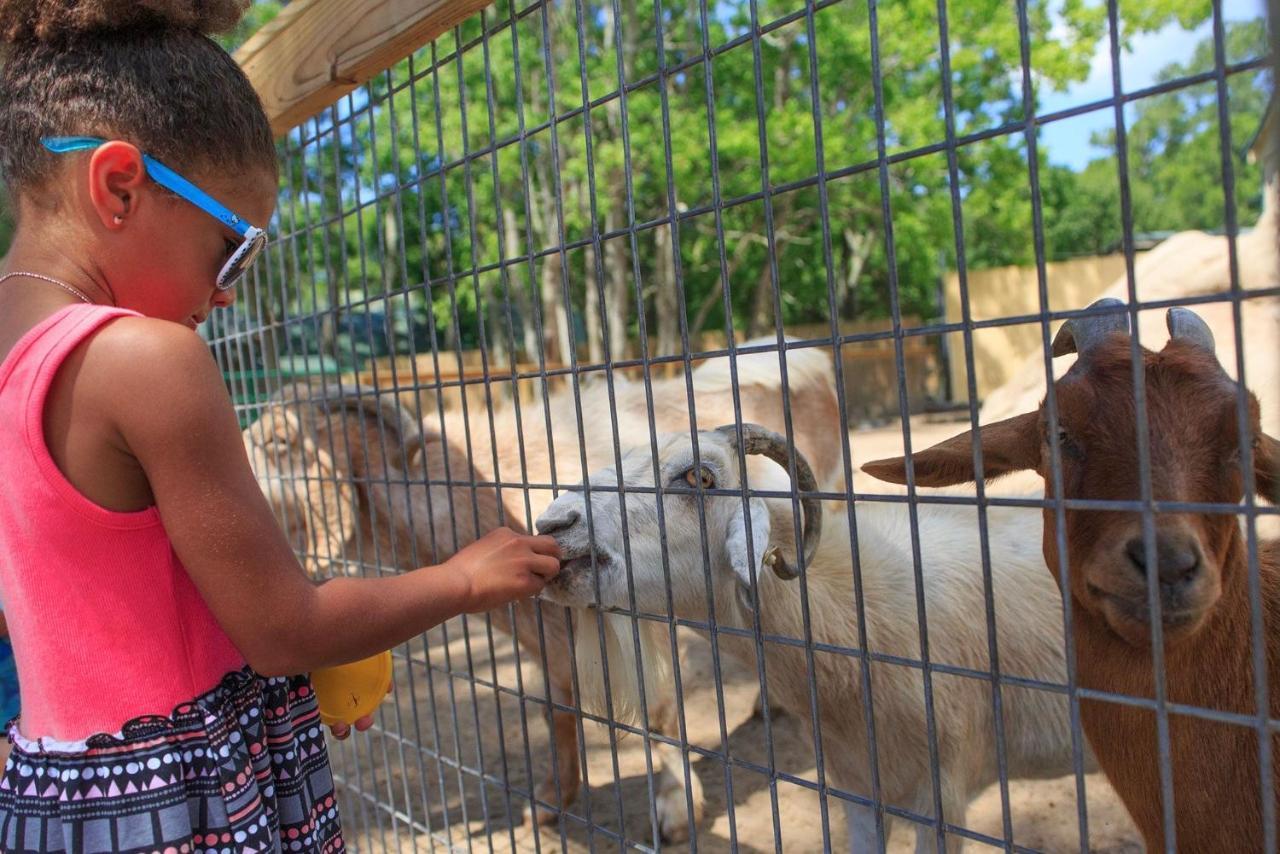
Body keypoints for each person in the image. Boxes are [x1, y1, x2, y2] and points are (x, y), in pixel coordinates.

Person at [0, 2, 561, 851]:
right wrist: (468, 577)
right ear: (119, 187)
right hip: (183, 797)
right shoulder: (147, 361)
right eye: (233, 247)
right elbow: (282, 630)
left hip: (59, 793)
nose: (227, 291)